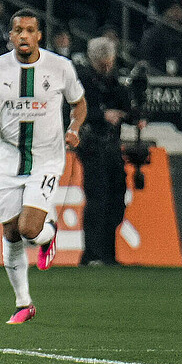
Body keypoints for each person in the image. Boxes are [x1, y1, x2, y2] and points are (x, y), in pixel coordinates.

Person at [0, 9, 87, 324]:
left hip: (46, 160)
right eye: (19, 30)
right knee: (10, 232)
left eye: (30, 30)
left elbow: (79, 104)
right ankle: (23, 303)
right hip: (7, 160)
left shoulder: (60, 68)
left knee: (29, 229)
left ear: (39, 35)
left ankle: (47, 234)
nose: (24, 36)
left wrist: (74, 129)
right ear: (12, 35)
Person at [75, 37, 140, 266]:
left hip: (113, 148)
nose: (105, 66)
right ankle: (92, 254)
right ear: (93, 60)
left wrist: (135, 116)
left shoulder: (115, 83)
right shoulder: (82, 82)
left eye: (108, 61)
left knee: (116, 199)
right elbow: (73, 111)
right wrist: (101, 115)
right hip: (92, 146)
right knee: (97, 199)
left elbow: (128, 109)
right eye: (101, 62)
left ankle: (108, 253)